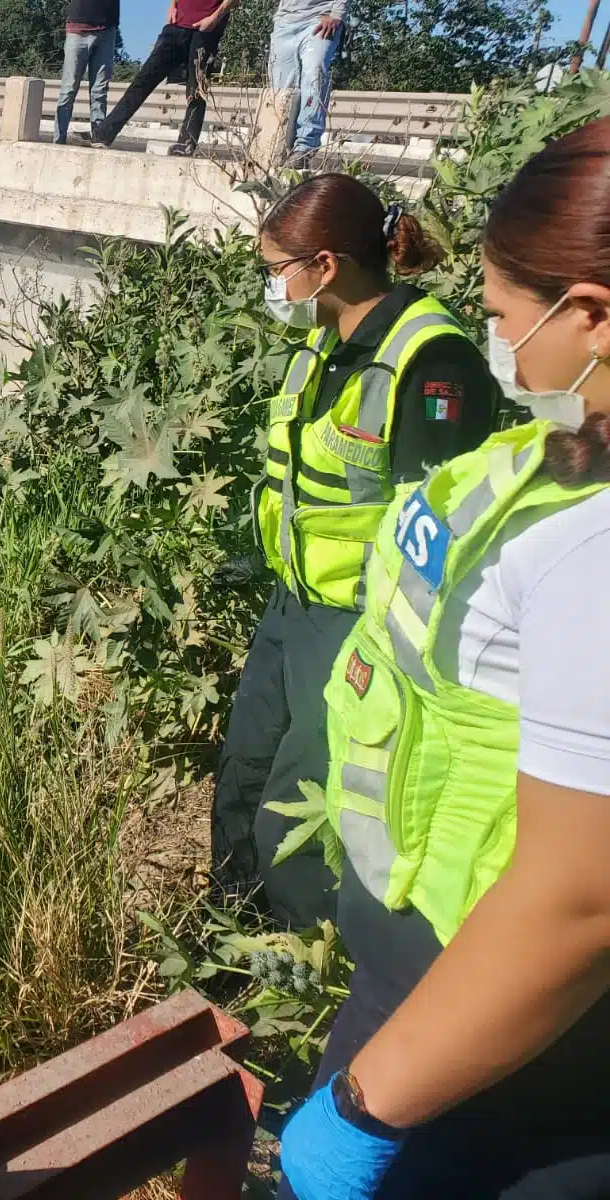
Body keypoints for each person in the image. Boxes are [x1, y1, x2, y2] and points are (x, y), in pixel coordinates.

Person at [277, 116, 610, 1199]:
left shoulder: (596, 549)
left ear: (590, 315)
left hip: (498, 1024)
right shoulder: (561, 461)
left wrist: (364, 1113)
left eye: (509, 313)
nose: (496, 336)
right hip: (440, 971)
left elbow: (579, 899)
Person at [212, 174, 497, 929]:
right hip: (292, 604)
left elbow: (442, 517)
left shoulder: (434, 361)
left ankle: (301, 970)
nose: (273, 284)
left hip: (358, 627)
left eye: (277, 267)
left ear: (326, 265)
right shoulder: (324, 343)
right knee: (242, 776)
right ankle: (231, 933)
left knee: (299, 813)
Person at [74, 0, 236, 157]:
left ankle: (187, 142)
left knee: (196, 89)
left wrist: (214, 19)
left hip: (205, 30)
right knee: (143, 80)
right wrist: (173, 7)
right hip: (176, 26)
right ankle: (102, 135)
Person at [269, 0, 346, 165]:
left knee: (314, 73)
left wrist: (337, 14)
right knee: (280, 89)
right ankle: (277, 145)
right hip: (284, 22)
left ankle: (305, 146)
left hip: (320, 19)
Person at [53, 0, 118, 146]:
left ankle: (98, 138)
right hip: (78, 27)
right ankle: (58, 139)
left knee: (99, 90)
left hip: (107, 28)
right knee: (69, 88)